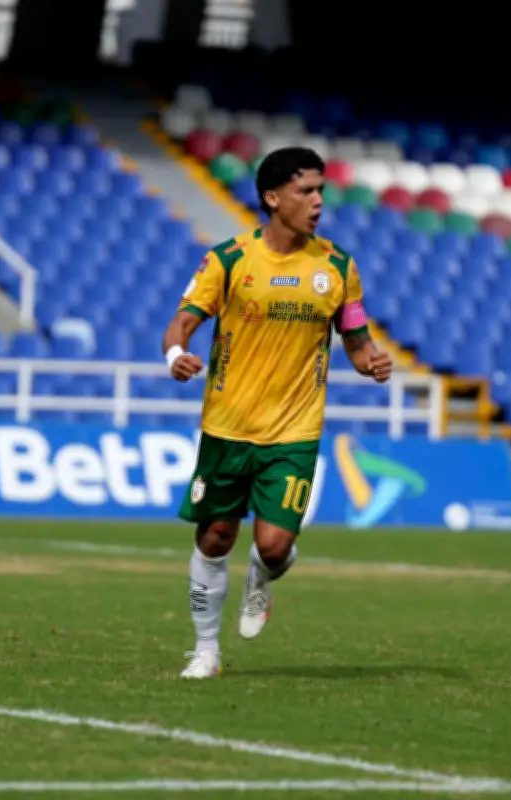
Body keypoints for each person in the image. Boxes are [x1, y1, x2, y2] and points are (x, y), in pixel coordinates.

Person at [161, 146, 393, 679]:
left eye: (321, 191)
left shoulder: (337, 267)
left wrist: (371, 361)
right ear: (273, 197)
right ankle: (205, 652)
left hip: (294, 432)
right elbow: (180, 324)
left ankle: (261, 578)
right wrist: (176, 356)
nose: (317, 202)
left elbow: (356, 340)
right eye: (305, 191)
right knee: (215, 537)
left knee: (273, 545)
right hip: (227, 428)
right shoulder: (229, 259)